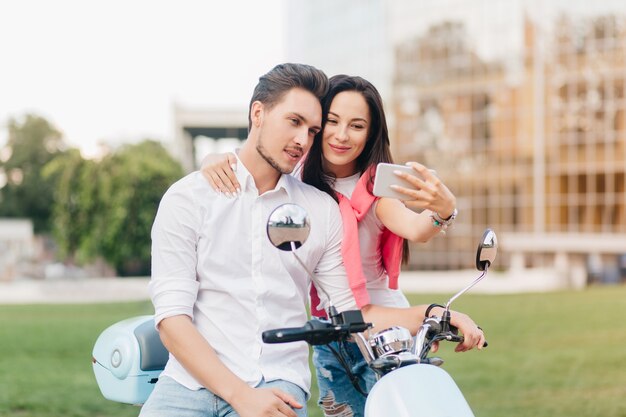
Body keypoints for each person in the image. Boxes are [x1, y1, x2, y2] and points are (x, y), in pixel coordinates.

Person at [201, 74, 483, 417]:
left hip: (388, 330)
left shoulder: (375, 186)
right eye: (331, 122)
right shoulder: (296, 178)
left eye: (357, 125)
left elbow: (415, 228)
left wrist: (442, 209)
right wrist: (215, 158)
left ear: (371, 133)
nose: (341, 135)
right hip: (331, 333)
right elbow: (253, 165)